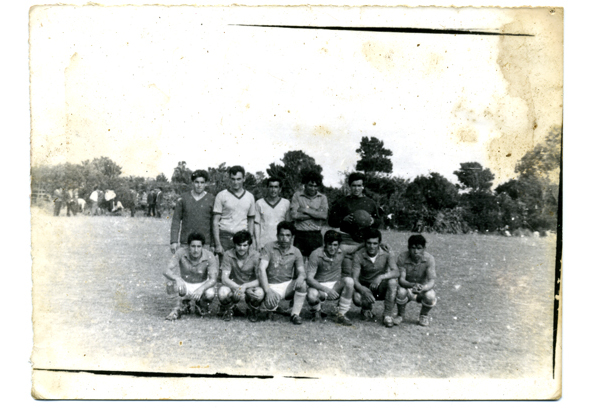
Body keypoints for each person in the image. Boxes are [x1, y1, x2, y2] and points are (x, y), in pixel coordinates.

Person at [328, 172, 380, 276]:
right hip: (346, 242)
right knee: (347, 271)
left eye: (359, 186)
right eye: (354, 186)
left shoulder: (370, 203)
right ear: (349, 186)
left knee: (363, 272)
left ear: (363, 186)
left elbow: (379, 221)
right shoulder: (342, 202)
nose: (356, 189)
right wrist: (343, 219)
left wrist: (373, 221)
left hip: (364, 241)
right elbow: (331, 221)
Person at [257, 221, 307, 325]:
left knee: (302, 284)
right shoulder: (269, 247)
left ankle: (295, 314)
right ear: (277, 235)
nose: (284, 239)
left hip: (286, 286)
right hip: (270, 285)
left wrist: (300, 277)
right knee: (268, 306)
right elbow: (261, 269)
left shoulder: (296, 251)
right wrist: (268, 291)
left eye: (288, 235)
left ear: (292, 237)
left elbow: (302, 271)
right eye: (281, 235)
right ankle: (269, 308)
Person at [305, 230, 359, 326]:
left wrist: (381, 244)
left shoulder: (342, 250)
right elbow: (309, 279)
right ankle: (317, 313)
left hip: (335, 285)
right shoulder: (316, 254)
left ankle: (341, 314)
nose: (332, 248)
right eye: (330, 245)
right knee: (311, 294)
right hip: (320, 286)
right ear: (325, 244)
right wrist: (326, 289)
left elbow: (358, 247)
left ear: (339, 245)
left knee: (349, 281)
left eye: (335, 245)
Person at [163, 232, 219, 320]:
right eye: (193, 246)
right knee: (170, 282)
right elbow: (166, 270)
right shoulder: (181, 252)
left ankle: (201, 304)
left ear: (202, 247)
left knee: (210, 293)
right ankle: (182, 305)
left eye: (199, 246)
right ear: (188, 246)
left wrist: (201, 289)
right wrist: (177, 278)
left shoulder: (209, 255)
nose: (196, 250)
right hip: (186, 283)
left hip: (201, 284)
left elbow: (213, 279)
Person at [351, 227, 399, 328]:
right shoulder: (359, 255)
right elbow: (354, 278)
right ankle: (366, 309)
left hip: (380, 286)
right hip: (365, 286)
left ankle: (387, 315)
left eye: (375, 243)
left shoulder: (386, 253)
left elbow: (396, 271)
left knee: (392, 282)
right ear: (364, 242)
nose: (372, 246)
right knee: (357, 298)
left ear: (379, 243)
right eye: (369, 243)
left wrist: (381, 277)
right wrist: (362, 289)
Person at [218, 230, 264, 322]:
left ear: (249, 245)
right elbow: (224, 278)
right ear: (234, 244)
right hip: (234, 286)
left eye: (245, 245)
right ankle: (230, 308)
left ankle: (253, 310)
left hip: (250, 286)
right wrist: (237, 288)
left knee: (259, 294)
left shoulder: (256, 255)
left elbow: (260, 279)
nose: (242, 248)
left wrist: (245, 286)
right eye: (239, 245)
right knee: (222, 293)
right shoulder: (228, 254)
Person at [212, 166, 256, 258]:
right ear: (229, 179)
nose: (235, 182)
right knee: (224, 268)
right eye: (233, 179)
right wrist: (217, 244)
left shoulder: (250, 197)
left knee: (242, 269)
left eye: (238, 179)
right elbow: (215, 221)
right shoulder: (221, 195)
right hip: (225, 237)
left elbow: (251, 220)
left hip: (242, 238)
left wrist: (250, 241)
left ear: (244, 179)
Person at [394, 234, 437, 327]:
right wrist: (412, 285)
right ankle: (400, 315)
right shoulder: (402, 257)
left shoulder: (429, 259)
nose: (416, 252)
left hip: (422, 289)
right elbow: (401, 280)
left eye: (419, 248)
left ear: (424, 248)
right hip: (408, 287)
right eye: (413, 248)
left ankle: (423, 315)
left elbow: (432, 281)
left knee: (430, 296)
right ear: (408, 248)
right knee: (400, 291)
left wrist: (423, 288)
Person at [171, 170, 215, 253]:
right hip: (186, 242)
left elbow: (214, 223)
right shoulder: (183, 198)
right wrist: (174, 241)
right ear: (192, 183)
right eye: (196, 182)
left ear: (206, 183)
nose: (199, 185)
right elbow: (176, 221)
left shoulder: (211, 199)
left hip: (205, 244)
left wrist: (213, 244)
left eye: (202, 183)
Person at [290, 170, 328, 259]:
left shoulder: (322, 198)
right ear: (305, 184)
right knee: (299, 265)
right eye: (310, 185)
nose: (313, 188)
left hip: (316, 235)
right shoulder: (297, 196)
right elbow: (294, 215)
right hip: (300, 235)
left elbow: (324, 216)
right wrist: (316, 213)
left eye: (316, 186)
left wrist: (305, 209)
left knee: (316, 265)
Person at [254, 177, 291, 250]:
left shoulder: (286, 203)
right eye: (271, 187)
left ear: (280, 189)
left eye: (276, 187)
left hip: (280, 243)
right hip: (264, 244)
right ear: (267, 188)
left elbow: (289, 225)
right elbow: (257, 225)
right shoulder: (259, 203)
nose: (273, 190)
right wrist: (257, 243)